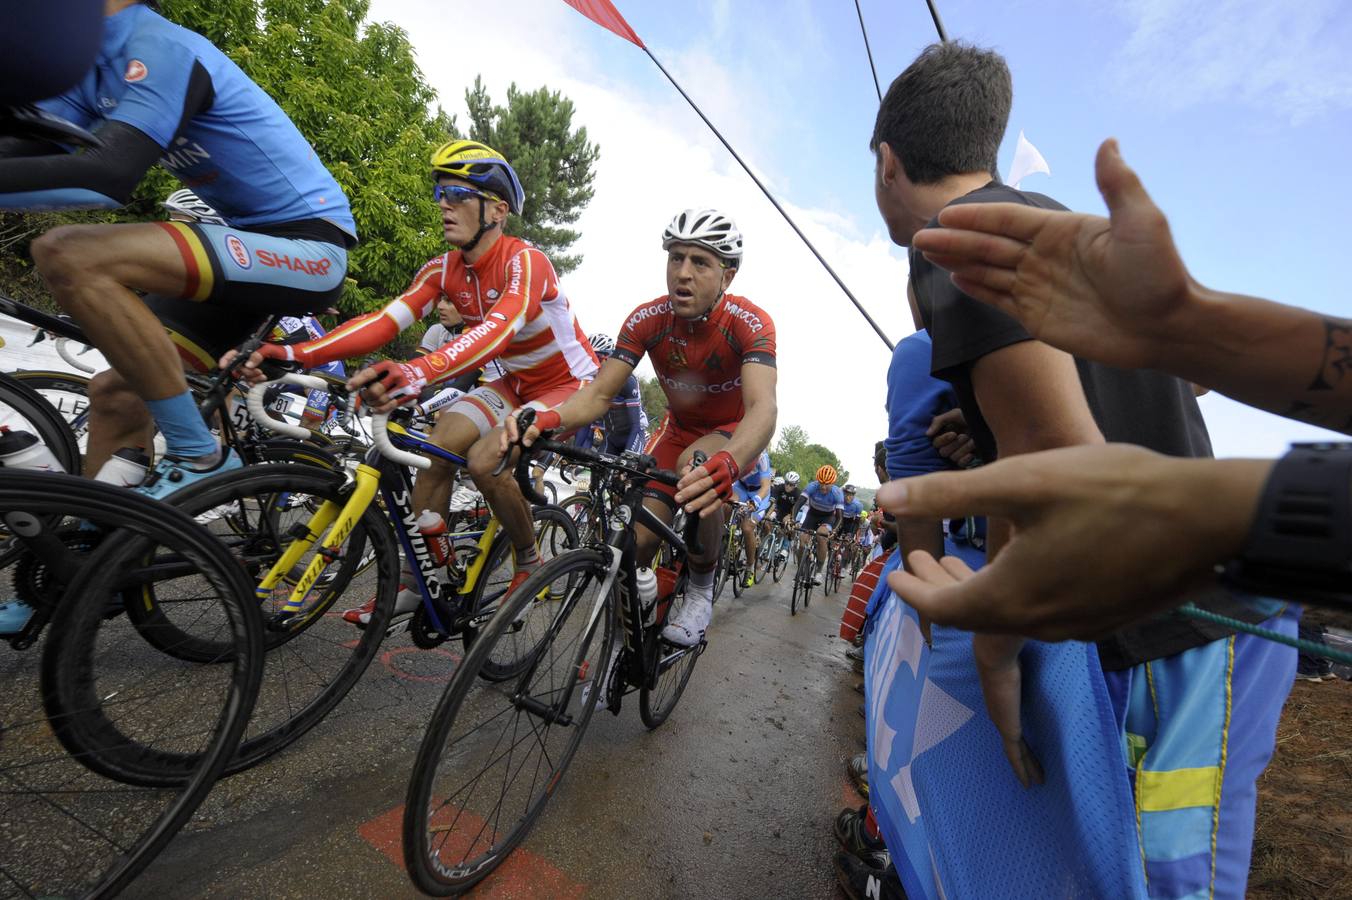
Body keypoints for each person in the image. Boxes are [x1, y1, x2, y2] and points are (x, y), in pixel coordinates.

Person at [871, 41, 1295, 898]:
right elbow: (1189, 376)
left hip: (1186, 627)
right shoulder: (1055, 218)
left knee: (1168, 878)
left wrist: (994, 654)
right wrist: (987, 421)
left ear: (887, 164)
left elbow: (1059, 468)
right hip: (1198, 608)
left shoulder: (952, 245)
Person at [234, 140, 598, 628]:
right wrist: (292, 352)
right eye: (440, 194)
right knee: (434, 449)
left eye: (458, 194)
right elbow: (384, 321)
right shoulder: (443, 269)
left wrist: (418, 372)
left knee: (485, 460)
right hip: (514, 380)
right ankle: (417, 580)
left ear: (498, 210)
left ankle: (528, 558)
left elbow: (500, 329)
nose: (444, 204)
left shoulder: (525, 262)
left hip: (567, 384)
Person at [0, 0, 356, 495]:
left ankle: (201, 453)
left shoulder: (162, 47)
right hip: (238, 250)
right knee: (117, 394)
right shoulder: (91, 71)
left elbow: (107, 176)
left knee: (68, 252)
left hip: (307, 248)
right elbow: (19, 157)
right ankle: (100, 549)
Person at [504, 208, 777, 647]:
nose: (682, 273)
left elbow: (763, 409)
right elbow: (596, 395)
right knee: (634, 543)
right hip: (676, 430)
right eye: (675, 258)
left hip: (729, 432)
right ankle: (623, 640)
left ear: (727, 276)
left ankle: (702, 589)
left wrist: (728, 462)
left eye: (700, 262)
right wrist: (547, 419)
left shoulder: (749, 322)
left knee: (698, 465)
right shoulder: (647, 319)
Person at [791, 465, 843, 585]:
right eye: (821, 483)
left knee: (822, 536)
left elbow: (840, 517)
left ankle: (819, 571)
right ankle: (801, 570)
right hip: (812, 515)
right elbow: (798, 504)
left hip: (828, 517)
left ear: (833, 483)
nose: (823, 487)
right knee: (802, 541)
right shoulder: (812, 487)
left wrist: (833, 530)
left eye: (827, 484)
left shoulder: (837, 493)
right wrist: (793, 520)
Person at [730, 450, 773, 587]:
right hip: (741, 487)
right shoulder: (739, 447)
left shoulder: (762, 457)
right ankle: (723, 543)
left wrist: (756, 500)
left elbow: (766, 486)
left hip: (759, 492)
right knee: (725, 505)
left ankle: (750, 567)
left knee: (747, 527)